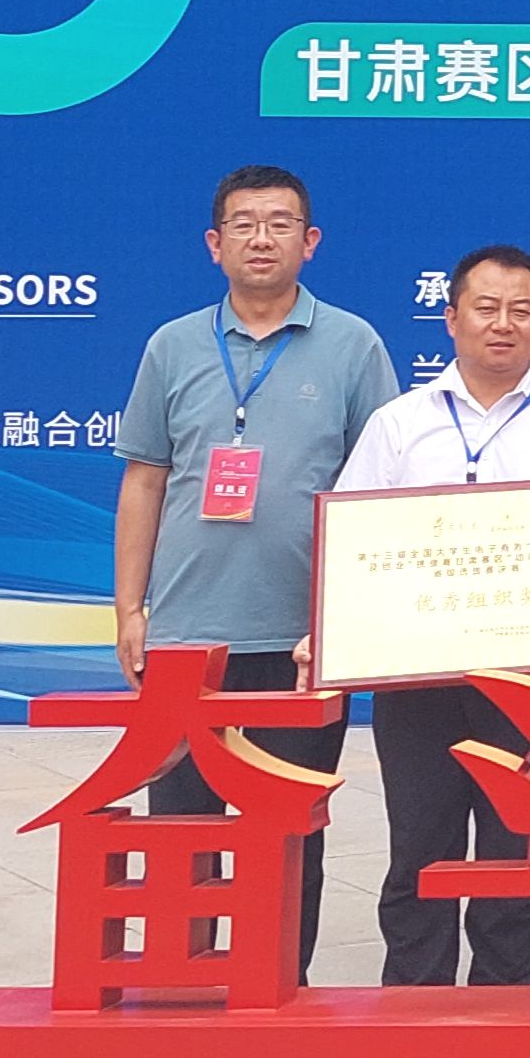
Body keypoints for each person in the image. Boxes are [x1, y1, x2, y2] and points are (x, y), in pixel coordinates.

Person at [108, 165, 399, 981]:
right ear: (215, 244)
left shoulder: (353, 345)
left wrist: (347, 623)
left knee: (289, 829)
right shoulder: (172, 346)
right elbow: (144, 481)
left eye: (280, 223)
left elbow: (379, 490)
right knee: (183, 829)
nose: (261, 238)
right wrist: (130, 609)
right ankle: (183, 985)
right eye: (243, 224)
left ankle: (278, 984)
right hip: (187, 637)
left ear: (311, 241)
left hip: (302, 640)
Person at [329, 245, 530, 989]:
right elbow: (355, 541)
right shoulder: (400, 424)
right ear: (451, 318)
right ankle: (414, 1002)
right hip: (419, 678)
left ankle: (507, 1002)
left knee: (515, 845)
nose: (504, 324)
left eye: (522, 311)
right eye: (487, 308)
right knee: (420, 846)